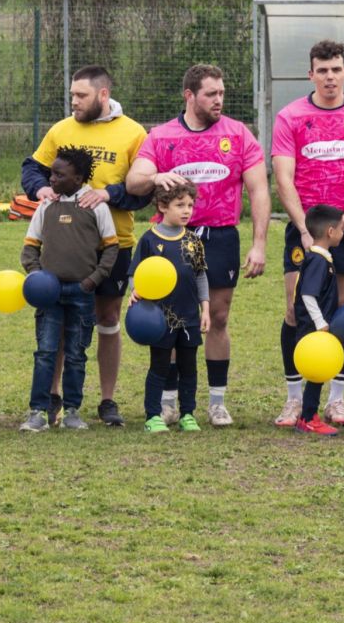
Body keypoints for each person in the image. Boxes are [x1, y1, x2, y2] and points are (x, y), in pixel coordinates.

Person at [126, 63, 270, 427]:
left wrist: (259, 244)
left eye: (222, 93)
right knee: (172, 318)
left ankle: (217, 402)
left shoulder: (238, 134)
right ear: (189, 96)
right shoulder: (161, 136)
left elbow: (258, 190)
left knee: (218, 317)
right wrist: (155, 175)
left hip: (220, 236)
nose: (219, 100)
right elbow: (133, 181)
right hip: (171, 240)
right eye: (211, 94)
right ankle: (170, 402)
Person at [21, 65, 149, 427]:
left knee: (107, 319)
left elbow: (144, 191)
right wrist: (39, 188)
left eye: (81, 95)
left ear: (103, 95)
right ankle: (55, 395)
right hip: (62, 246)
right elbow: (32, 168)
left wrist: (109, 194)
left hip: (113, 245)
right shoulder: (61, 130)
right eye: (72, 95)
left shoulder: (134, 133)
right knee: (60, 322)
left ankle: (107, 400)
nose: (73, 101)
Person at [271, 39, 344, 428]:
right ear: (311, 75)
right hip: (304, 230)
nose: (330, 77)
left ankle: (336, 398)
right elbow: (283, 177)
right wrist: (304, 227)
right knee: (294, 311)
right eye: (322, 70)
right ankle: (293, 398)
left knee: (343, 313)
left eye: (336, 69)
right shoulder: (290, 116)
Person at [18, 147, 119, 432]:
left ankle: (73, 411)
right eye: (51, 173)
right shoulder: (46, 205)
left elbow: (112, 248)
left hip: (82, 293)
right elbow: (30, 247)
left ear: (78, 178)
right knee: (45, 352)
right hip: (49, 295)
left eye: (59, 175)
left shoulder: (96, 206)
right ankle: (38, 411)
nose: (51, 179)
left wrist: (93, 280)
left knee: (76, 353)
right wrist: (38, 278)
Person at [128, 180, 210, 434]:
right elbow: (136, 273)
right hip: (160, 318)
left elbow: (200, 276)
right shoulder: (150, 240)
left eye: (190, 205)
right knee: (159, 367)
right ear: (163, 206)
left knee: (189, 367)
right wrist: (135, 292)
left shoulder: (194, 240)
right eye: (180, 205)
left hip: (189, 317)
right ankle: (153, 415)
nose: (187, 210)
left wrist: (205, 309)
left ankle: (188, 414)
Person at [290, 204, 344, 436]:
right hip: (313, 327)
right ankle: (308, 418)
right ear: (331, 232)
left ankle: (308, 415)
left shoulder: (321, 257)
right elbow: (307, 294)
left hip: (317, 326)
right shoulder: (318, 261)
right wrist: (320, 322)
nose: (343, 233)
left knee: (318, 372)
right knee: (316, 372)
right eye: (341, 229)